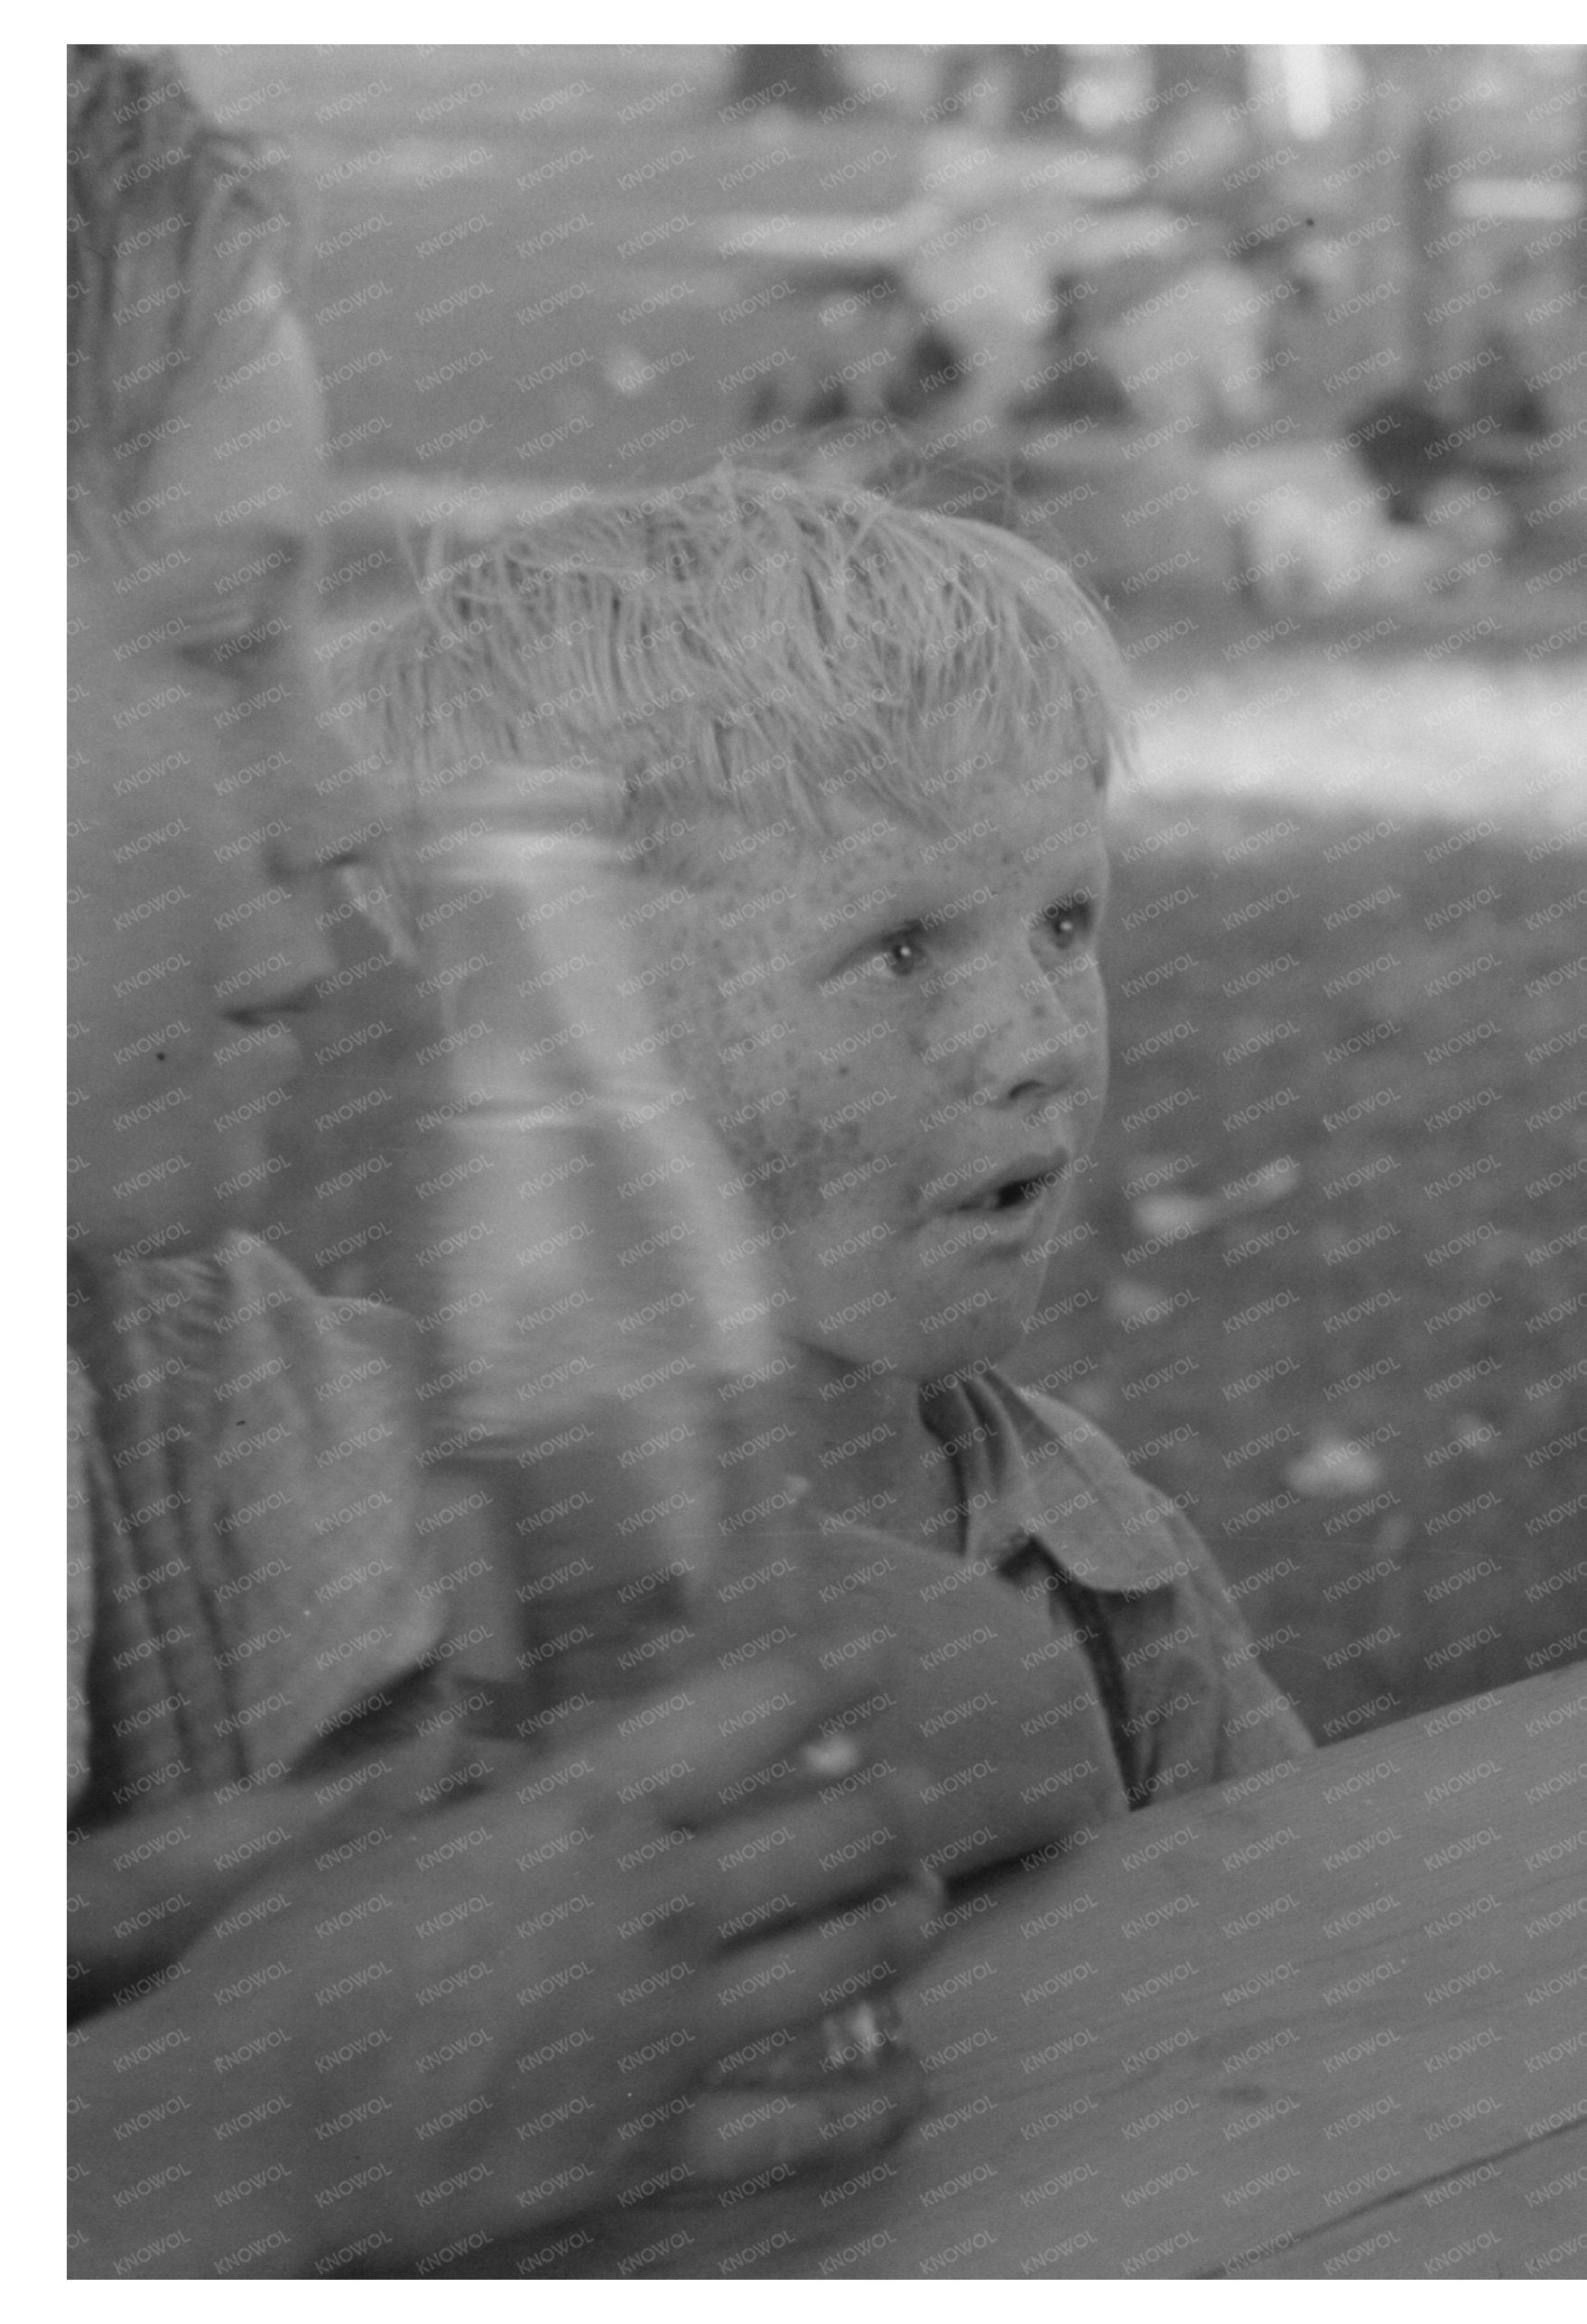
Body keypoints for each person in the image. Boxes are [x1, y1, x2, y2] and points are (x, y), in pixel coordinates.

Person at [65, 45, 941, 2264]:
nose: (342, 808)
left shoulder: (142, 1367)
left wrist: (606, 1845)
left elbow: (964, 1678)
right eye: (215, 640)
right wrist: (233, 2131)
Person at [353, 469, 1317, 1805]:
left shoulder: (1098, 1543)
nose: (1036, 1040)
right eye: (904, 949)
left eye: (1064, 924)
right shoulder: (417, 1603)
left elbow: (1294, 1919)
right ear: (573, 1021)